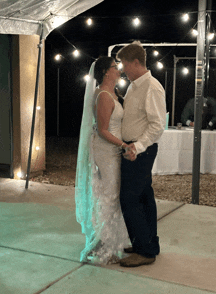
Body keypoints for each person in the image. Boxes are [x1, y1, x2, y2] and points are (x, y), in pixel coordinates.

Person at [75, 56, 130, 265]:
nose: (119, 70)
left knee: (111, 196)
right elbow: (103, 130)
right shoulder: (104, 96)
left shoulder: (112, 93)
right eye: (116, 67)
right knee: (109, 197)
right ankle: (106, 246)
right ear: (106, 72)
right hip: (107, 151)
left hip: (112, 150)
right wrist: (124, 145)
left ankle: (108, 241)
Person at [116, 42, 166, 267]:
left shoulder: (152, 87)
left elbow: (157, 126)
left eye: (125, 65)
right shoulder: (134, 86)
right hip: (132, 149)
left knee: (129, 198)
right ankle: (146, 243)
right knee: (145, 197)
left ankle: (145, 252)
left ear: (136, 62)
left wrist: (137, 147)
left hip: (139, 152)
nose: (123, 69)